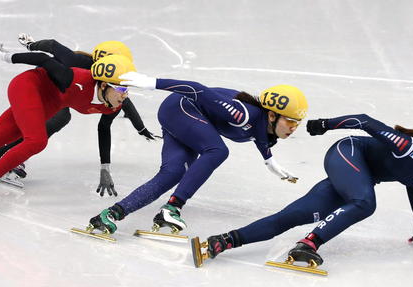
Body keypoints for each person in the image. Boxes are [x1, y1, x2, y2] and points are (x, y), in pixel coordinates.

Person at [195, 114, 413, 267]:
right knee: (365, 202)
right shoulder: (407, 146)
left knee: (293, 215)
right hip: (348, 153)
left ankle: (224, 241)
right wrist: (325, 125)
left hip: (359, 178)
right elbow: (366, 121)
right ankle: (309, 244)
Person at [86, 71, 309, 235]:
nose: (293, 128)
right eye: (290, 121)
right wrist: (154, 83)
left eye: (297, 123)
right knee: (218, 150)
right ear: (272, 115)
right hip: (181, 107)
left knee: (172, 173)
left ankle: (110, 214)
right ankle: (173, 207)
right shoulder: (242, 114)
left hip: (187, 118)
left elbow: (260, 138)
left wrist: (270, 162)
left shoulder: (263, 128)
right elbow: (196, 88)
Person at [0, 35, 160, 197]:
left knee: (47, 127)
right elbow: (52, 47)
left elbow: (122, 102)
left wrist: (140, 128)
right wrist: (29, 46)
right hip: (45, 87)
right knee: (44, 129)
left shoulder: (110, 83)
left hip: (65, 96)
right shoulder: (80, 63)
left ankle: (10, 157)